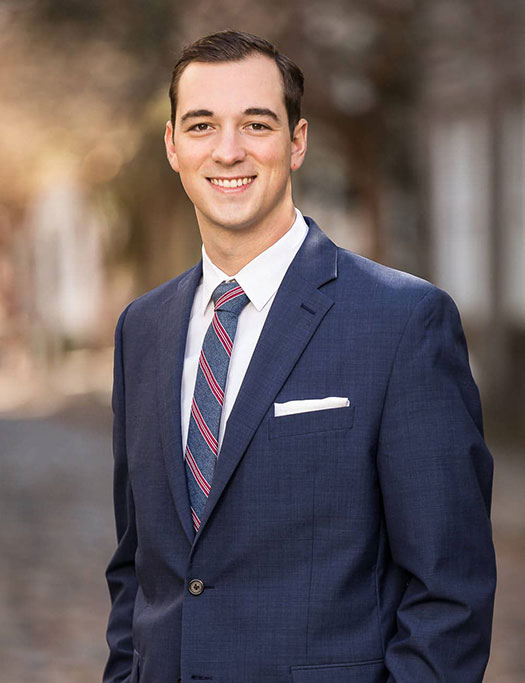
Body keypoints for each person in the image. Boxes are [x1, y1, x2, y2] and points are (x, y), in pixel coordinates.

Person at [104, 30, 496, 683]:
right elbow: (135, 570)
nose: (227, 150)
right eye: (201, 125)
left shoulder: (402, 323)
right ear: (172, 145)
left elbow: (448, 593)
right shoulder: (140, 330)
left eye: (255, 124)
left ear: (296, 142)